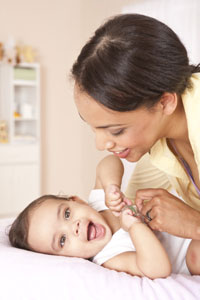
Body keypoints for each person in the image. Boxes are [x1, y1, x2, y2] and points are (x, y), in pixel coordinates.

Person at [71, 13, 200, 273]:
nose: (101, 144)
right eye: (94, 129)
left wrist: (194, 223)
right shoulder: (162, 148)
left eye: (116, 130)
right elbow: (124, 212)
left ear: (165, 102)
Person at [9, 155, 199, 277]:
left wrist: (111, 185)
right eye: (62, 240)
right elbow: (158, 269)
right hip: (188, 251)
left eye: (67, 213)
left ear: (77, 200)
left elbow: (108, 162)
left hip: (185, 210)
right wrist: (135, 227)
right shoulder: (109, 257)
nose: (73, 227)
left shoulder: (99, 203)